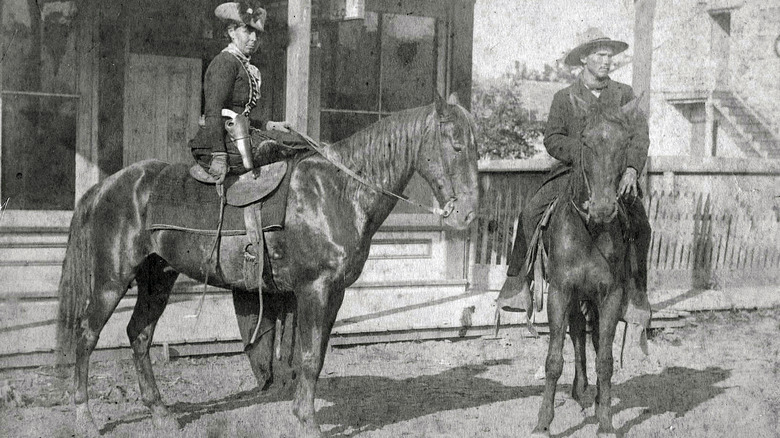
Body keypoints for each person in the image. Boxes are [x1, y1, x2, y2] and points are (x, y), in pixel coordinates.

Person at [497, 28, 652, 329]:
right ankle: (517, 284)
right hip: (572, 172)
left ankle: (636, 293)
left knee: (642, 225)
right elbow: (552, 139)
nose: (607, 61)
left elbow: (640, 137)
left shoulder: (624, 96)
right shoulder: (564, 97)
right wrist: (583, 153)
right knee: (529, 213)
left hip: (614, 176)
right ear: (584, 58)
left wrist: (632, 168)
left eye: (610, 56)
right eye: (600, 55)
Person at [190, 1, 292, 184]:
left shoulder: (242, 64)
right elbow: (213, 111)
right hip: (216, 143)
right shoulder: (225, 62)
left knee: (291, 140)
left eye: (258, 34)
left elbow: (238, 117)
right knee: (278, 149)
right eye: (247, 31)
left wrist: (268, 125)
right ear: (231, 32)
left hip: (236, 137)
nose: (254, 38)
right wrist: (219, 156)